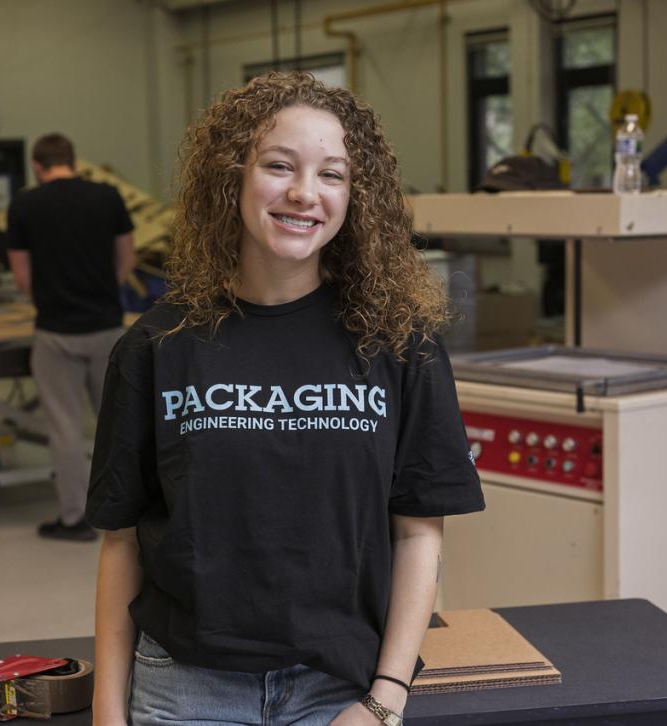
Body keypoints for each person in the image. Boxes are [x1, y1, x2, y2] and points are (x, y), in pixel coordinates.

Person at [86, 72, 485, 725]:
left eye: (333, 174)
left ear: (356, 196)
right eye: (278, 166)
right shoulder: (159, 346)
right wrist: (108, 712)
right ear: (231, 177)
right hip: (187, 690)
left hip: (339, 687)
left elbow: (419, 535)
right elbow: (121, 543)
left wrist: (384, 701)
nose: (304, 193)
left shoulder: (400, 348)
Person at [7, 133, 136, 541]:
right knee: (118, 425)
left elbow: (21, 274)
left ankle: (75, 520)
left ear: (37, 167)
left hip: (55, 332)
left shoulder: (25, 204)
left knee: (64, 428)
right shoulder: (108, 197)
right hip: (107, 329)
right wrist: (103, 291)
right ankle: (131, 514)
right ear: (74, 161)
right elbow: (127, 256)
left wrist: (48, 298)